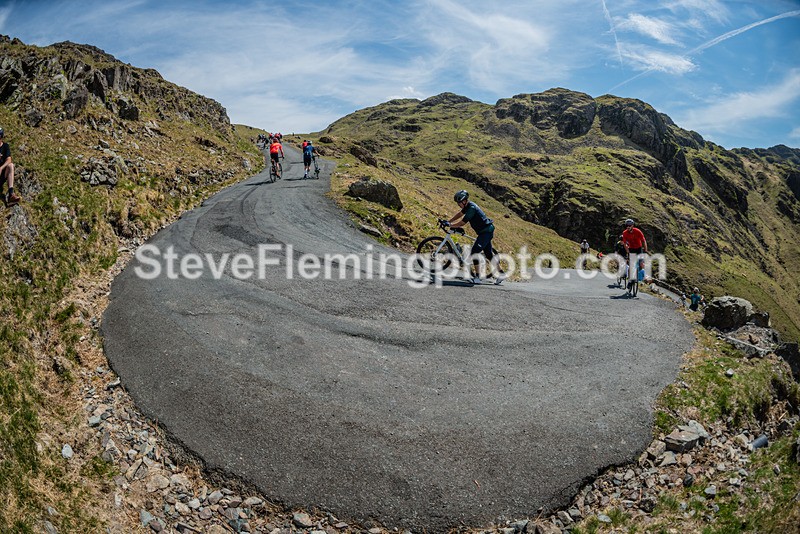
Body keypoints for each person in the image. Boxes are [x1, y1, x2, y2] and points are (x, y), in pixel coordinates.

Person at [445, 190, 504, 285]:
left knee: (474, 252)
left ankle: (477, 277)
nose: (458, 205)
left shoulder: (471, 208)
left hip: (486, 232)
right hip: (484, 232)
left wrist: (450, 225)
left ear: (464, 201)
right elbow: (460, 214)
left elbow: (462, 223)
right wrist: (448, 221)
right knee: (488, 254)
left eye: (459, 203)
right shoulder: (467, 206)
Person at [0, 128, 20, 206]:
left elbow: (9, 160)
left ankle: (11, 194)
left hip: (1, 175)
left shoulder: (5, 146)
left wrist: (1, 168)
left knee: (10, 166)